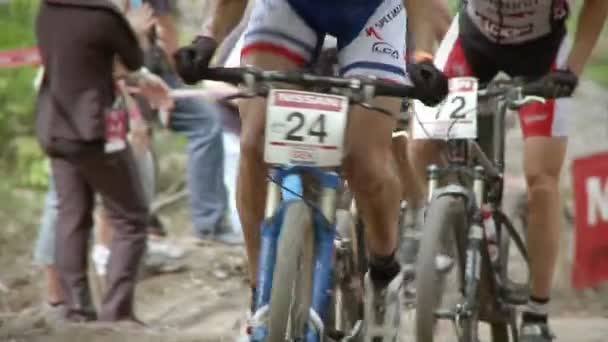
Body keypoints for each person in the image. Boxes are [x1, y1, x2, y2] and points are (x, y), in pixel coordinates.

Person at [174, 0, 448, 339]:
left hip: (372, 16)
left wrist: (422, 57)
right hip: (290, 9)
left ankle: (383, 273)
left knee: (366, 161)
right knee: (253, 141)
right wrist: (207, 38)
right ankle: (260, 294)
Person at [407, 1, 608, 341]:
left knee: (541, 181)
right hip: (472, 43)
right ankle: (430, 231)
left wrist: (573, 68)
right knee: (421, 143)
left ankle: (537, 312)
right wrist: (424, 53)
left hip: (542, 56)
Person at [35, 0, 172, 322]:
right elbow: (134, 60)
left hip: (55, 126)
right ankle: (117, 315)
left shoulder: (48, 9)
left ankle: (76, 311)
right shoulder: (104, 16)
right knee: (132, 218)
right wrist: (134, 30)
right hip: (94, 130)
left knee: (72, 218)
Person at [120, 0, 241, 244]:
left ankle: (204, 222)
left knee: (202, 124)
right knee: (138, 140)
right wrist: (180, 66)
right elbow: (164, 28)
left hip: (141, 68)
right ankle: (144, 225)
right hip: (133, 71)